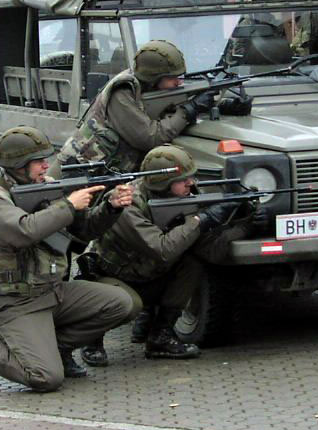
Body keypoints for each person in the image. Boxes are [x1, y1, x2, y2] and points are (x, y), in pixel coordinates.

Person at [0, 126, 141, 392]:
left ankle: (58, 349)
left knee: (122, 304)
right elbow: (25, 231)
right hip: (14, 302)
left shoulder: (44, 187)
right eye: (38, 161)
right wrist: (68, 205)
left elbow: (84, 231)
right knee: (46, 377)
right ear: (18, 165)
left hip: (51, 291)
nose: (47, 165)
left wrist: (110, 207)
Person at [79, 145, 251, 363]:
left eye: (191, 177)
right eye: (183, 179)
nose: (191, 183)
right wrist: (201, 220)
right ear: (162, 182)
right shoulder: (128, 203)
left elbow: (209, 251)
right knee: (128, 304)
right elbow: (162, 249)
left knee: (194, 262)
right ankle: (91, 337)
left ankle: (161, 335)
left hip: (151, 275)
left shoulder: (186, 195)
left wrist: (244, 224)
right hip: (115, 277)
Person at [57, 39, 249, 173]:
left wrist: (224, 106)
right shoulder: (122, 92)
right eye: (172, 78)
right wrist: (189, 110)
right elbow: (151, 137)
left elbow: (170, 106)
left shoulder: (150, 90)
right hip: (79, 173)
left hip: (107, 171)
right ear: (154, 78)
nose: (179, 83)